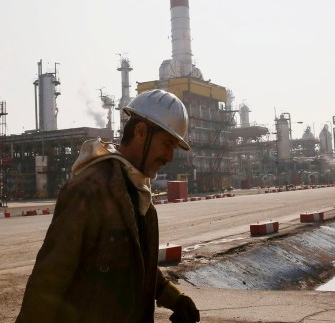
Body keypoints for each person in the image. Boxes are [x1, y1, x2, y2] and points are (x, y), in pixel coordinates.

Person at [16, 89, 201, 323]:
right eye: (166, 144)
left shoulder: (139, 194)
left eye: (173, 147)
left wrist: (174, 297)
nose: (169, 157)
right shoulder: (90, 190)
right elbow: (49, 278)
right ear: (141, 132)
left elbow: (137, 265)